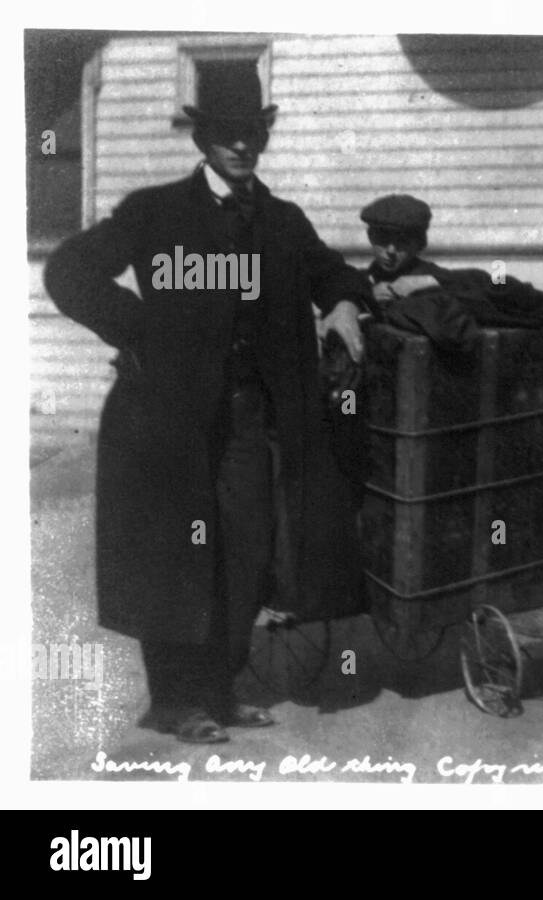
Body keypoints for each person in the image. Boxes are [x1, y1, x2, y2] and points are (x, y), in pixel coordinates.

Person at [44, 67, 371, 744]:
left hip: (249, 415)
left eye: (253, 134)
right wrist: (137, 329)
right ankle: (173, 702)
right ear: (205, 138)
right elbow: (69, 270)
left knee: (245, 551)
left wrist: (341, 300)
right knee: (176, 555)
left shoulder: (282, 220)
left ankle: (219, 691)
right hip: (167, 419)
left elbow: (332, 270)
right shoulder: (156, 210)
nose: (243, 147)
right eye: (229, 135)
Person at [359, 194, 441, 305]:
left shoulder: (438, 280)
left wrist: (428, 282)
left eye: (402, 242)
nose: (391, 251)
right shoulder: (357, 282)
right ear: (370, 237)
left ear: (419, 243)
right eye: (383, 239)